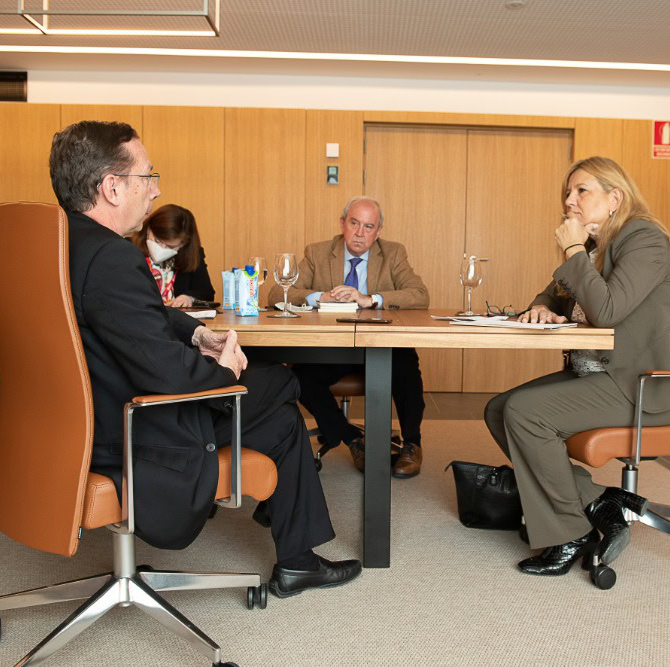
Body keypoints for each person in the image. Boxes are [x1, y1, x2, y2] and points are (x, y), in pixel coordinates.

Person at [49, 120, 360, 598]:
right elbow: (165, 373)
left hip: (78, 422)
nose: (154, 191)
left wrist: (197, 334)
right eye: (147, 177)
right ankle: (299, 545)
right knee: (281, 384)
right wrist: (224, 370)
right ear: (112, 187)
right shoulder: (113, 257)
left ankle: (298, 560)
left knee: (280, 422)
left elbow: (138, 315)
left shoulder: (61, 243)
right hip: (134, 429)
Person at [483, 156, 670, 576]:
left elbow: (606, 309)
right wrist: (541, 305)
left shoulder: (643, 238)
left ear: (615, 198)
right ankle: (597, 501)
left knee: (526, 414)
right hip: (611, 374)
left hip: (651, 385)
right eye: (567, 194)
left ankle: (569, 532)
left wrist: (572, 248)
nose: (569, 201)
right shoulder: (597, 245)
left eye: (581, 191)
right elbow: (554, 293)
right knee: (499, 409)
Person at [269, 196, 430, 478]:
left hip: (381, 345)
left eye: (369, 227)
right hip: (335, 348)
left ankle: (412, 444)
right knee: (302, 378)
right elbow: (276, 294)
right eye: (354, 223)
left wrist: (371, 299)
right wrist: (320, 296)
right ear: (342, 223)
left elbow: (420, 295)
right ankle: (353, 439)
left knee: (406, 364)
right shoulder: (317, 252)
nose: (360, 233)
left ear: (378, 231)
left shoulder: (393, 253)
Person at [130, 203, 215, 307]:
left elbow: (207, 292)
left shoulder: (192, 255)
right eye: (157, 240)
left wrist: (189, 297)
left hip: (175, 319)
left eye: (170, 247)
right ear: (149, 228)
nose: (161, 248)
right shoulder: (128, 248)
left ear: (183, 244)